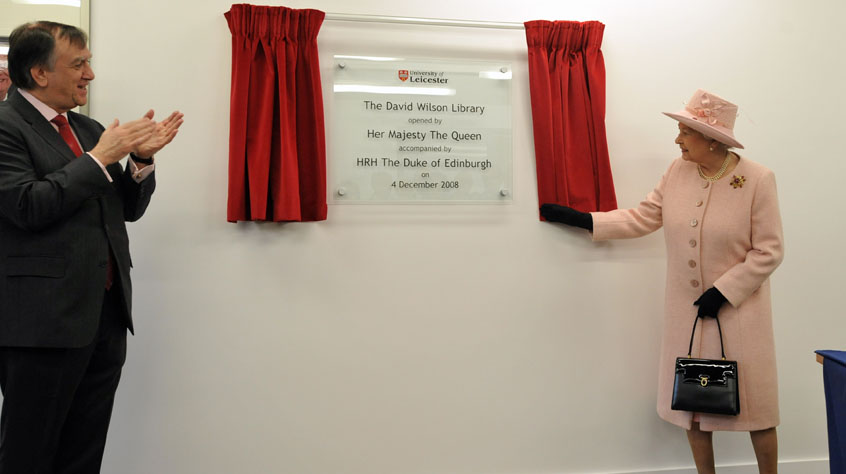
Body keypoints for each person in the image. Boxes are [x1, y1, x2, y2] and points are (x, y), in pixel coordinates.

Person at [541, 89, 783, 474]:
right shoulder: (676, 172)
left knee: (758, 407)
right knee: (693, 404)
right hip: (686, 313)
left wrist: (725, 290)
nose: (677, 139)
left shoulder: (756, 180)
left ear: (711, 138)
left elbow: (769, 250)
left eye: (685, 131)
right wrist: (586, 220)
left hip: (740, 312)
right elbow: (644, 217)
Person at [0, 21, 183, 472]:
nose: (90, 75)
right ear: (40, 73)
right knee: (28, 452)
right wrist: (99, 158)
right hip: (40, 324)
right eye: (78, 64)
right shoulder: (5, 127)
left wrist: (140, 160)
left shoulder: (86, 127)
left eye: (89, 63)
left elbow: (122, 209)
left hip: (103, 315)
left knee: (84, 450)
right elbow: (26, 207)